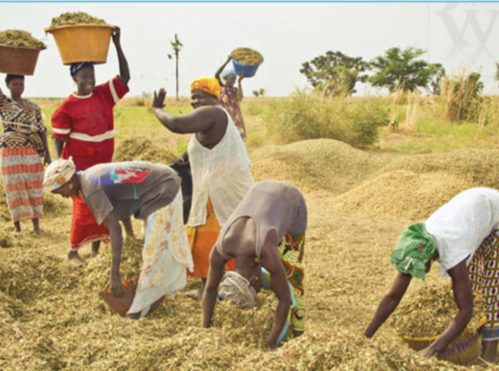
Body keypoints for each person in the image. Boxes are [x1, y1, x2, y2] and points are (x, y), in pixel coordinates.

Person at [364, 187, 499, 363]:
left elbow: (466, 309)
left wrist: (434, 348)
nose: (416, 272)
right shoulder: (418, 242)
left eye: (418, 267)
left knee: (491, 289)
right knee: (473, 286)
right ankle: (474, 344)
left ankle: (488, 356)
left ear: (428, 256)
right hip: (474, 212)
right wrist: (365, 337)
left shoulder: (452, 250)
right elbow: (393, 296)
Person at [43, 158, 193, 318]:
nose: (63, 196)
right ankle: (151, 298)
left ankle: (138, 309)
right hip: (162, 182)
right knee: (154, 249)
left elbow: (114, 228)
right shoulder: (88, 177)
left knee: (154, 253)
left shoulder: (91, 188)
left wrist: (115, 275)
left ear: (69, 182)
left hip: (163, 189)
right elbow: (119, 204)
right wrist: (131, 236)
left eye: (61, 191)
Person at [151, 78, 254, 299]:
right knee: (205, 243)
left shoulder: (214, 113)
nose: (194, 100)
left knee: (223, 240)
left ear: (214, 97)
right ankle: (211, 288)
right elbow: (203, 149)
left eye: (200, 95)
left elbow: (177, 124)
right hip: (213, 190)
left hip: (224, 191)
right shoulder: (210, 119)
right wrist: (184, 159)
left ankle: (228, 288)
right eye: (192, 96)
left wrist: (157, 109)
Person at [51, 26, 130, 263]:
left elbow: (125, 78)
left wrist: (116, 45)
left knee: (103, 207)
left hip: (103, 165)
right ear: (74, 78)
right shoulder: (68, 106)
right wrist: (60, 164)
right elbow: (58, 137)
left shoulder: (103, 94)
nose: (89, 80)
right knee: (84, 209)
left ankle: (95, 251)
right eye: (83, 76)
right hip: (82, 168)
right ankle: (73, 252)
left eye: (92, 76)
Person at [201, 180, 308, 349]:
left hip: (290, 198)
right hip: (261, 189)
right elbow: (210, 289)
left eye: (256, 290)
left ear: (254, 278)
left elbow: (285, 298)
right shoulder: (220, 248)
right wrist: (205, 330)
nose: (259, 292)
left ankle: (299, 334)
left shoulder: (265, 250)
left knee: (292, 276)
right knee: (268, 258)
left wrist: (271, 342)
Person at [0, 46, 51, 235]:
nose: (19, 87)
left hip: (31, 152)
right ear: (8, 86)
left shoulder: (33, 106)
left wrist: (47, 154)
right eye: (15, 84)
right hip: (10, 152)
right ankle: (17, 227)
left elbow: (41, 131)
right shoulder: (4, 103)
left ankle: (36, 226)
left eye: (21, 84)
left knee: (34, 187)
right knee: (13, 188)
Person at [215, 57, 246, 140]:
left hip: (235, 118)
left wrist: (240, 82)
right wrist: (227, 61)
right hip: (224, 117)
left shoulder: (234, 90)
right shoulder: (222, 87)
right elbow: (216, 75)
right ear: (225, 78)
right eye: (232, 78)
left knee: (236, 138)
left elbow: (240, 97)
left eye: (235, 79)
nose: (234, 81)